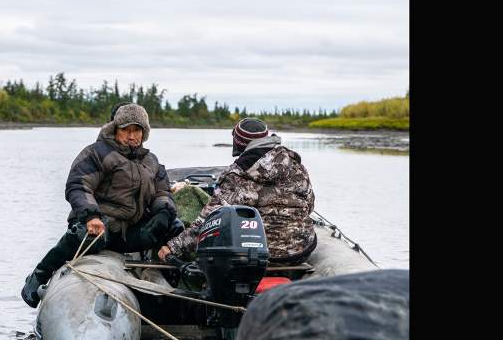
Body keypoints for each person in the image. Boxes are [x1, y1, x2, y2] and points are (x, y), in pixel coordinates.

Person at [21, 102, 179, 307]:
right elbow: (78, 185)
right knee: (86, 235)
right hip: (101, 226)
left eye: (137, 130)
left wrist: (164, 211)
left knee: (173, 225)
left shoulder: (151, 161)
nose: (132, 136)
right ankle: (39, 275)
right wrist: (91, 215)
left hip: (131, 232)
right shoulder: (97, 153)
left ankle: (169, 284)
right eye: (126, 130)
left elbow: (162, 192)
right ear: (116, 129)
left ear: (144, 132)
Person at [158, 117, 316, 266]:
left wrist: (173, 248)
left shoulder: (237, 175)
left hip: (260, 256)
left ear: (239, 143)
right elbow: (309, 206)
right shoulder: (295, 166)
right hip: (302, 250)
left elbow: (208, 222)